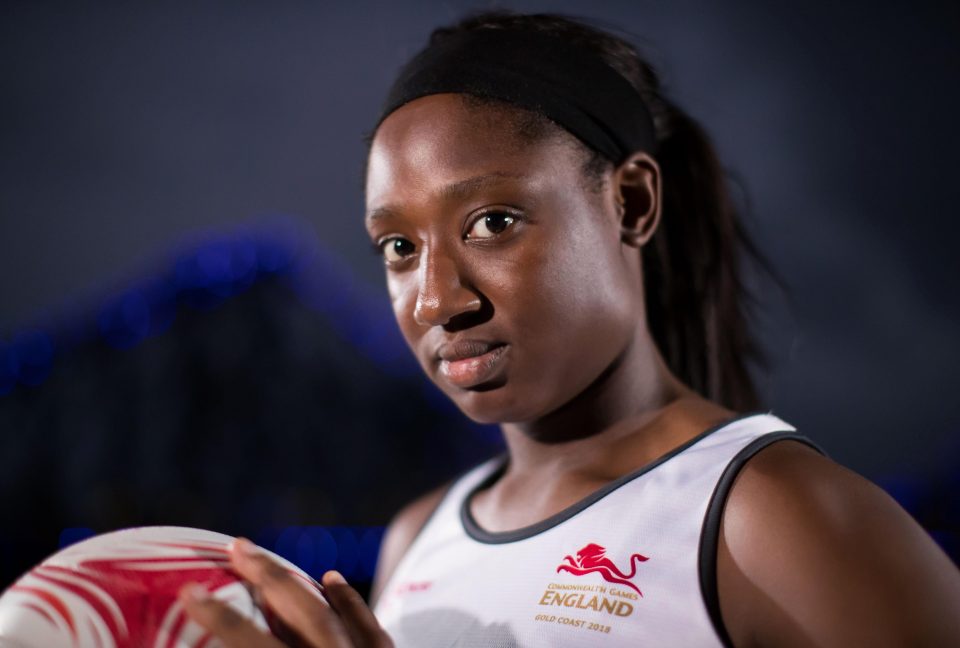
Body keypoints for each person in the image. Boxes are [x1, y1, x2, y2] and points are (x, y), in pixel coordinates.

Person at [178, 10, 960, 647]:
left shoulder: (773, 518)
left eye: (491, 222)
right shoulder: (416, 538)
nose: (434, 301)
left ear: (631, 204)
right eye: (400, 248)